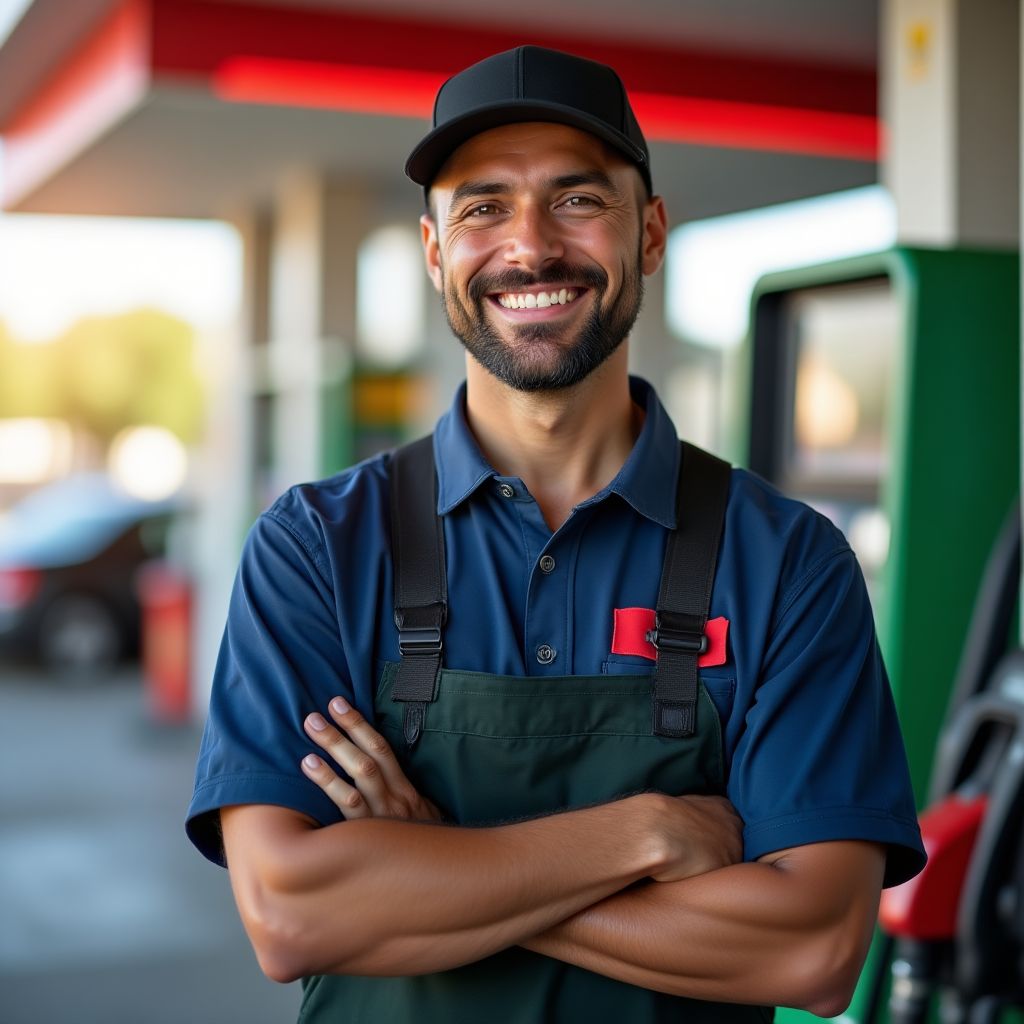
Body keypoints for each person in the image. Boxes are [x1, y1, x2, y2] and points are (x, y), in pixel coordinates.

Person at [187, 45, 925, 1023]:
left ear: (650, 233)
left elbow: (813, 950)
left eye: (578, 199)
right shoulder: (316, 546)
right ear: (433, 250)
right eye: (482, 207)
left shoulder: (784, 560)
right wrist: (641, 833)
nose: (529, 246)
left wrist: (433, 859)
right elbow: (292, 914)